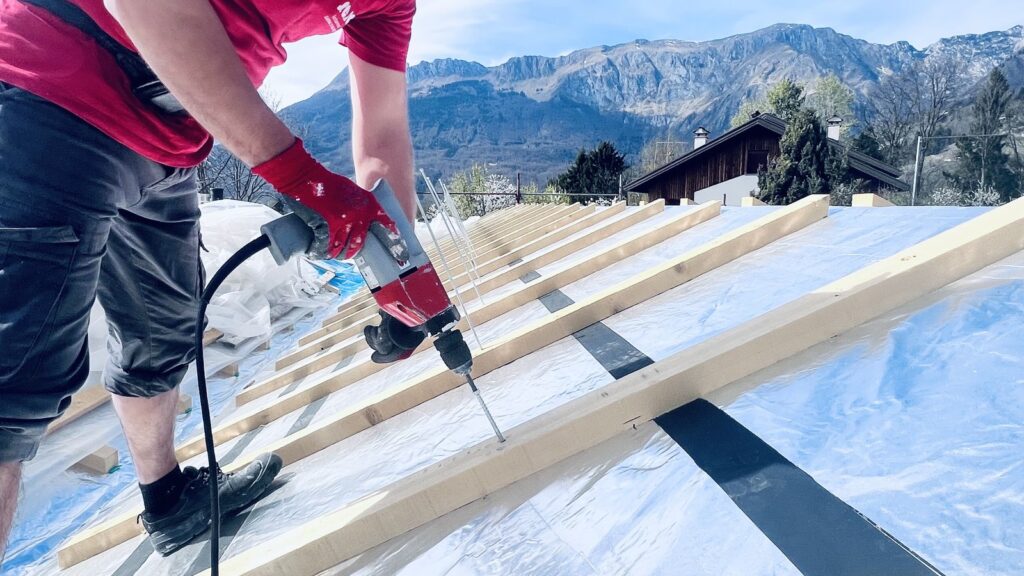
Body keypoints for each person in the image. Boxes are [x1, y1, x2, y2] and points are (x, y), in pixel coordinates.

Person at [0, 0, 417, 562]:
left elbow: (384, 132)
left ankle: (169, 498)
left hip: (166, 135)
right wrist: (296, 173)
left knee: (164, 324)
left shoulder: (389, 5)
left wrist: (403, 277)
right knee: (14, 387)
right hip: (52, 88)